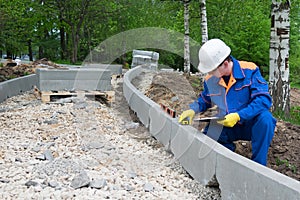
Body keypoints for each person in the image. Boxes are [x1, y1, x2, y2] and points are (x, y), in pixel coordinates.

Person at [178, 38, 276, 166]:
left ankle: (258, 166)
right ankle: (227, 161)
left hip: (251, 124)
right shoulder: (211, 79)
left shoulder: (250, 70)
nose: (210, 73)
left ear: (225, 64)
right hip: (228, 124)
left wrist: (239, 116)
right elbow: (205, 99)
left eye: (212, 69)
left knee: (266, 119)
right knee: (209, 135)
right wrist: (192, 110)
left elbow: (263, 100)